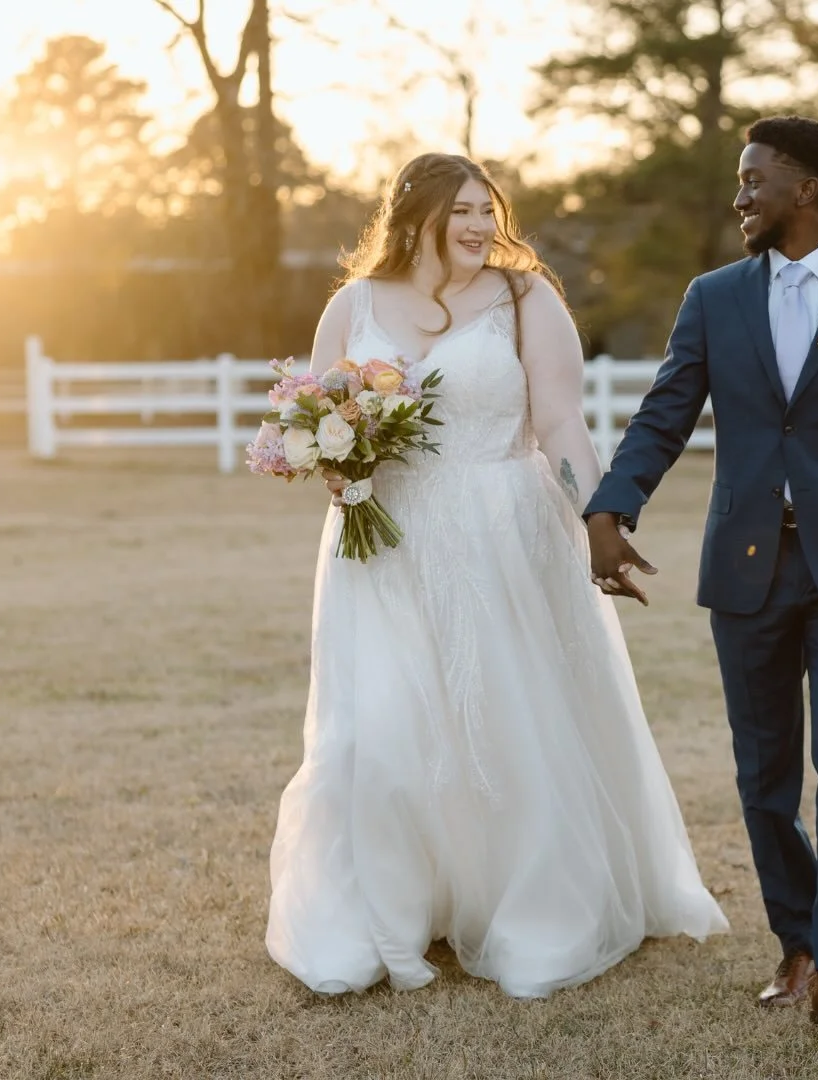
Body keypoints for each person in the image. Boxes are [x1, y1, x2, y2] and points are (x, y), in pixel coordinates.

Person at [265, 152, 728, 999]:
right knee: (386, 728)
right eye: (463, 211)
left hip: (502, 533)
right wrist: (338, 464)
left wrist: (602, 521)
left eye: (489, 209)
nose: (482, 226)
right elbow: (321, 405)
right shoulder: (352, 305)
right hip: (384, 542)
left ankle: (529, 908)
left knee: (505, 718)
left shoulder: (525, 298)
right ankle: (394, 907)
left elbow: (558, 420)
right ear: (416, 217)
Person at [585, 116, 818, 1027]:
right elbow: (665, 414)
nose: (739, 194)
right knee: (766, 776)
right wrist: (608, 508)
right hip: (748, 569)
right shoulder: (712, 297)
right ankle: (795, 944)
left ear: (808, 190)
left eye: (754, 178)